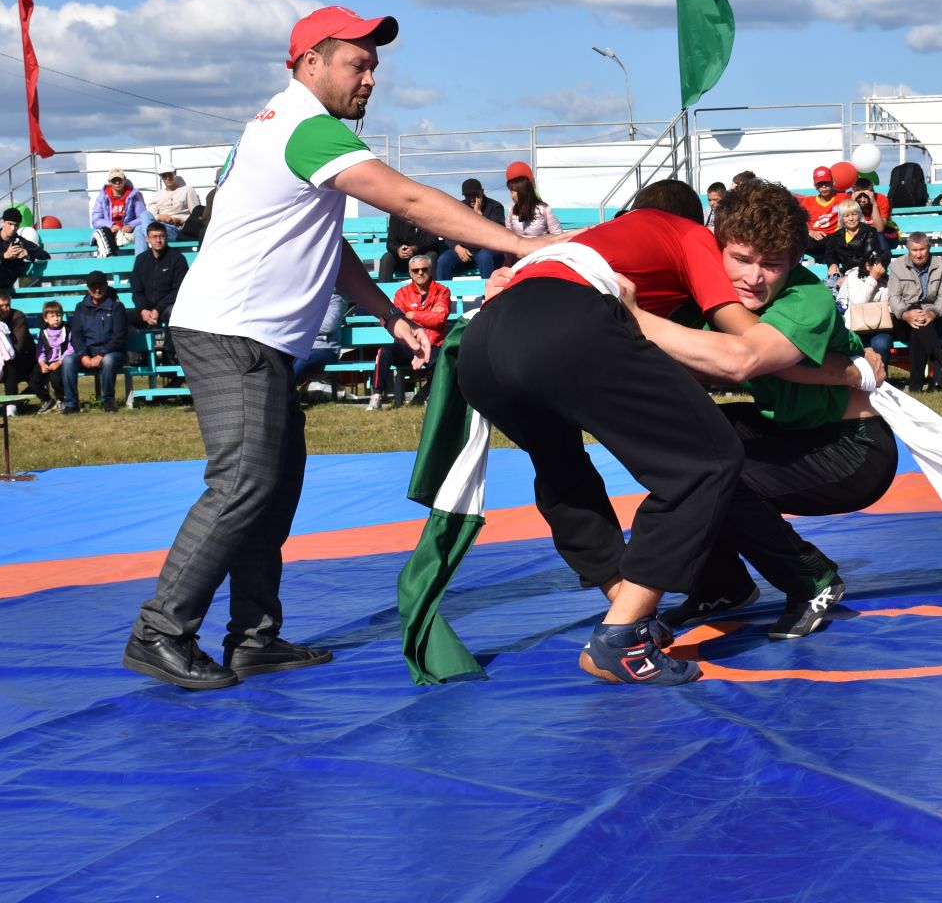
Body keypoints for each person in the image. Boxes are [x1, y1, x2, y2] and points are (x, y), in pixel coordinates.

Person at [126, 4, 546, 692]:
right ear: (309, 63)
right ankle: (160, 631)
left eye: (375, 65)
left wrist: (385, 312)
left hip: (253, 337)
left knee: (273, 486)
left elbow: (328, 242)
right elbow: (407, 200)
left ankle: (253, 638)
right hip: (232, 333)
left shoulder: (284, 130)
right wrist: (523, 245)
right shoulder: (302, 127)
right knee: (243, 483)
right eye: (358, 63)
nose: (371, 78)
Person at [456, 178, 808, 687]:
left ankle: (627, 608)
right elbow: (742, 339)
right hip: (562, 322)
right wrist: (843, 364)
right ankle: (621, 636)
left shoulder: (595, 235)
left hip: (481, 344)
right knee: (706, 460)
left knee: (561, 467)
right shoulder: (686, 233)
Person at [620, 179, 895, 640]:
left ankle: (811, 578)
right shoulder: (709, 288)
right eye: (742, 260)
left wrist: (634, 317)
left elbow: (746, 359)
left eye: (772, 264)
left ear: (794, 262)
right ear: (717, 249)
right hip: (794, 431)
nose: (754, 277)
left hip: (855, 449)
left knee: (719, 476)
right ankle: (722, 585)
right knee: (684, 451)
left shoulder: (807, 297)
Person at [373, 252, 451, 408]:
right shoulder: (402, 293)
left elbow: (439, 318)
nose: (420, 273)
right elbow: (401, 321)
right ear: (410, 273)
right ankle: (376, 396)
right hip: (407, 345)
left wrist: (412, 314)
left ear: (430, 269)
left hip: (434, 344)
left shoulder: (443, 291)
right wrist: (427, 315)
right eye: (416, 270)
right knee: (384, 352)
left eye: (424, 269)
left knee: (444, 364)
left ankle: (421, 397)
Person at [889, 231, 942, 391]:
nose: (918, 254)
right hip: (903, 319)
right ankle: (938, 352)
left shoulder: (941, 266)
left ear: (929, 248)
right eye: (914, 250)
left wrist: (933, 312)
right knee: (916, 319)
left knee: (918, 330)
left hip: (932, 317)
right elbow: (894, 299)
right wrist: (906, 315)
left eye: (922, 250)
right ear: (908, 250)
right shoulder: (897, 266)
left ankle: (916, 386)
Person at [63, 272, 130, 413]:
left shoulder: (117, 307)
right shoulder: (80, 307)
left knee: (108, 361)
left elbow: (119, 336)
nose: (97, 290)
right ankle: (71, 404)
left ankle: (108, 402)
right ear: (88, 288)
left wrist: (101, 354)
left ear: (106, 285)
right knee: (68, 361)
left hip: (113, 352)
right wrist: (82, 355)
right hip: (87, 353)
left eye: (100, 285)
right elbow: (76, 335)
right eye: (94, 286)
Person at [130, 221, 188, 358]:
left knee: (174, 314)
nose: (158, 240)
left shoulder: (177, 259)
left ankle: (169, 357)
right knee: (121, 317)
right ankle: (138, 356)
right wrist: (143, 309)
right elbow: (136, 290)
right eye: (154, 236)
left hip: (167, 307)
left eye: (161, 236)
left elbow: (178, 289)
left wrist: (158, 309)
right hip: (145, 308)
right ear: (147, 239)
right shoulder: (141, 260)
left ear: (166, 237)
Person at [435, 178, 506, 282]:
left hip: (488, 250)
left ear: (481, 192)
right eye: (468, 196)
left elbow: (499, 232)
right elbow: (447, 231)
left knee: (484, 256)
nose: (472, 199)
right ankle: (441, 295)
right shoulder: (459, 207)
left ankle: (490, 294)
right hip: (465, 251)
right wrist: (457, 247)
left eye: (475, 194)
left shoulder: (495, 207)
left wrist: (479, 217)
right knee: (444, 259)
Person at [0, 207, 49, 291]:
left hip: (6, 278)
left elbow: (45, 256)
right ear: (2, 222)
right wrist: (4, 256)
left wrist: (28, 255)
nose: (13, 228)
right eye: (10, 224)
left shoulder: (21, 242)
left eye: (16, 225)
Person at [843, 252, 894, 363]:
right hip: (856, 325)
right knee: (853, 345)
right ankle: (858, 378)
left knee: (881, 345)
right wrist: (873, 279)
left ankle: (880, 378)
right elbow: (857, 302)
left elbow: (891, 303)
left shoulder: (888, 280)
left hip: (880, 326)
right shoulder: (854, 276)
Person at [91, 169, 155, 256]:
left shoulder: (133, 196)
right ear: (110, 182)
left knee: (139, 229)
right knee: (104, 232)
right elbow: (96, 220)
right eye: (114, 180)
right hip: (110, 233)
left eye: (119, 179)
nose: (117, 182)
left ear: (124, 180)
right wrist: (111, 225)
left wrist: (131, 225)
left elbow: (142, 217)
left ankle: (141, 262)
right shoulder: (102, 197)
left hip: (128, 233)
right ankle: (110, 260)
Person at [503, 162, 562, 241]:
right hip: (519, 252)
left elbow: (557, 235)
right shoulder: (511, 211)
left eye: (512, 192)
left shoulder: (544, 209)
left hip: (540, 251)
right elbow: (508, 237)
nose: (511, 196)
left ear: (521, 192)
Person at [822, 199, 882, 277]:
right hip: (846, 272)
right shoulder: (837, 235)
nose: (851, 219)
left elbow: (871, 257)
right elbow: (830, 254)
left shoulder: (870, 232)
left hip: (866, 272)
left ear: (859, 215)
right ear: (841, 218)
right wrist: (832, 264)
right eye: (846, 216)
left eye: (854, 214)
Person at [33, 300, 73, 411]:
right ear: (46, 318)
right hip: (47, 363)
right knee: (33, 380)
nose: (56, 318)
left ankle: (61, 399)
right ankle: (47, 399)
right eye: (52, 316)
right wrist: (42, 363)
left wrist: (59, 362)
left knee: (56, 379)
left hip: (61, 361)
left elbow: (71, 348)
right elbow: (40, 350)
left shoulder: (68, 329)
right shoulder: (43, 332)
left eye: (59, 315)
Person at [384, 207, 441, 281]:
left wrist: (415, 249)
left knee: (432, 256)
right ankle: (380, 290)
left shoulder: (429, 214)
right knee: (387, 258)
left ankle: (432, 290)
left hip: (423, 256)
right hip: (402, 260)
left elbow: (433, 242)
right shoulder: (396, 214)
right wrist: (398, 250)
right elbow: (390, 242)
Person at [147, 168, 202, 240]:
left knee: (152, 230)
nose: (167, 177)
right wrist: (159, 217)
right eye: (164, 175)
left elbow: (197, 214)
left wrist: (180, 220)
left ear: (174, 174)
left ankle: (151, 239)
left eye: (170, 174)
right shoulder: (156, 196)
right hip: (160, 225)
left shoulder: (187, 190)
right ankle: (150, 239)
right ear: (161, 177)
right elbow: (150, 215)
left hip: (179, 227)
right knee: (141, 223)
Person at [800, 165, 844, 255]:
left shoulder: (843, 198)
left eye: (826, 182)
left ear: (833, 182)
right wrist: (811, 232)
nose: (824, 186)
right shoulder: (807, 202)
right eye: (820, 184)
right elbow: (799, 221)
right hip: (813, 241)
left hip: (834, 239)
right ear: (815, 186)